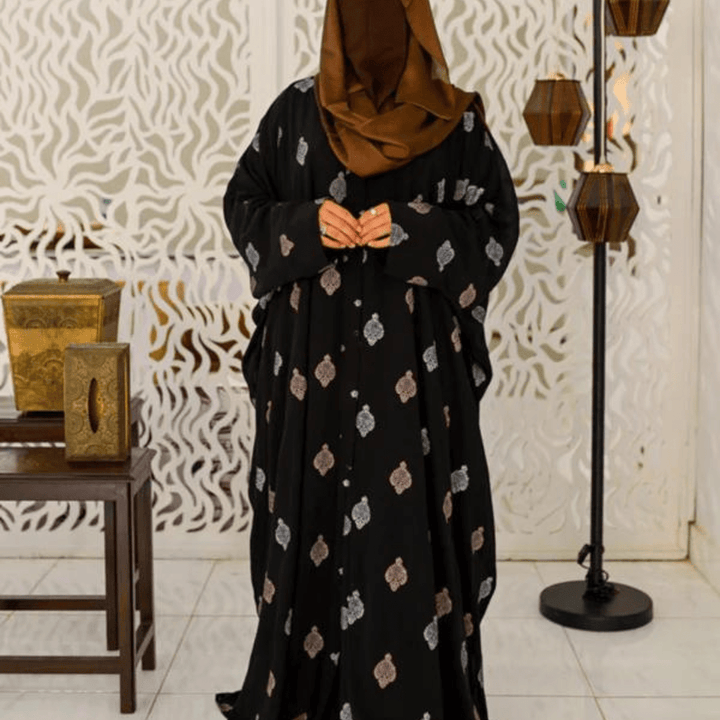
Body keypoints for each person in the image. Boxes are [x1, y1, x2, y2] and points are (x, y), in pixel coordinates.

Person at [216, 0, 519, 718]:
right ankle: (306, 688)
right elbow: (243, 203)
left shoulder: (454, 123)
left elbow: (495, 225)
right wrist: (305, 223)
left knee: (405, 523)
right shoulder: (296, 112)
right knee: (308, 514)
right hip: (309, 370)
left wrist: (413, 229)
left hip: (415, 376)